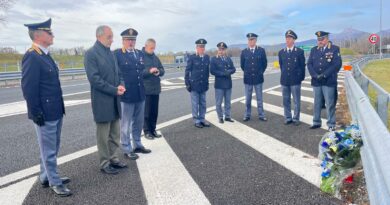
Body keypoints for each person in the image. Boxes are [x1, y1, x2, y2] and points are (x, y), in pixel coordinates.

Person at [21, 18, 71, 196]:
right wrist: (35, 112)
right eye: (49, 32)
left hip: (55, 110)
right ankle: (54, 182)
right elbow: (29, 88)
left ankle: (45, 176)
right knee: (48, 149)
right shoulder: (32, 56)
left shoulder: (45, 55)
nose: (53, 35)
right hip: (45, 112)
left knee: (53, 146)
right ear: (38, 35)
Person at [84, 25, 128, 175]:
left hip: (115, 99)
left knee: (115, 133)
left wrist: (121, 84)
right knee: (103, 136)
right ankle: (104, 163)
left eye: (112, 36)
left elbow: (119, 73)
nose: (112, 39)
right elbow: (95, 79)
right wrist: (114, 90)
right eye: (109, 37)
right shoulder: (91, 54)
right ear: (99, 36)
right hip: (102, 101)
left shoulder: (111, 54)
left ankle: (113, 158)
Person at [114, 28, 152, 160]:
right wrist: (120, 86)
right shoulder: (117, 54)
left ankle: (138, 144)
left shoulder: (139, 54)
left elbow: (140, 72)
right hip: (126, 95)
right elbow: (116, 74)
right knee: (126, 124)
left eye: (133, 40)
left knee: (138, 122)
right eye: (128, 40)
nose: (131, 42)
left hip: (140, 93)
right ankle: (126, 147)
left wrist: (151, 71)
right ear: (123, 41)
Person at [307, 31, 342, 131]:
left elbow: (337, 64)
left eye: (322, 39)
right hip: (316, 81)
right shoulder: (314, 50)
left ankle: (331, 124)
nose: (320, 41)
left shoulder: (334, 49)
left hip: (328, 81)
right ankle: (316, 122)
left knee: (330, 104)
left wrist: (324, 74)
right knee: (317, 103)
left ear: (327, 39)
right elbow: (309, 64)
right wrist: (314, 75)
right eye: (318, 40)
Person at [278, 30, 306, 126]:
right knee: (285, 100)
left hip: (295, 81)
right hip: (285, 80)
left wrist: (300, 79)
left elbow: (302, 67)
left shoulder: (299, 52)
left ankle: (296, 118)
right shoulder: (281, 52)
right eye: (286, 38)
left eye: (290, 38)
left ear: (294, 40)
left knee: (296, 101)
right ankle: (288, 117)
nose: (287, 40)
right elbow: (282, 66)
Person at [240, 33, 268, 122]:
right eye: (249, 40)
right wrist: (248, 73)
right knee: (248, 99)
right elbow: (242, 65)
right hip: (248, 79)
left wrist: (260, 72)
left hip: (258, 78)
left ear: (255, 40)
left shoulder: (261, 51)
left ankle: (261, 114)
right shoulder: (244, 52)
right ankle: (247, 115)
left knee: (259, 98)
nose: (250, 41)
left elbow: (264, 64)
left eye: (252, 39)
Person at [185, 39, 211, 128]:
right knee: (195, 103)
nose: (202, 48)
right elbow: (187, 71)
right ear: (196, 47)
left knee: (203, 103)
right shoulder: (192, 58)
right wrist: (187, 83)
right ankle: (196, 120)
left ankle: (202, 119)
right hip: (194, 85)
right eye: (200, 46)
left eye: (203, 47)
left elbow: (207, 71)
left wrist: (207, 82)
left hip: (203, 84)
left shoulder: (207, 57)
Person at [142, 38, 165, 140]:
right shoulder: (140, 57)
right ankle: (147, 131)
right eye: (151, 48)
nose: (153, 50)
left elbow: (162, 69)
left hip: (156, 89)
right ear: (146, 46)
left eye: (154, 48)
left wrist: (158, 72)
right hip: (146, 89)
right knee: (146, 112)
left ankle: (153, 129)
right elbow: (139, 72)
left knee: (154, 112)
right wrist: (149, 71)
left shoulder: (155, 57)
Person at [210, 42, 236, 123]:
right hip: (219, 85)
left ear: (225, 50)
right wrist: (222, 73)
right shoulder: (214, 59)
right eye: (219, 49)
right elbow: (212, 71)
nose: (221, 51)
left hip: (228, 84)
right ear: (218, 50)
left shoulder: (228, 59)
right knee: (219, 102)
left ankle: (227, 116)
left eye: (223, 49)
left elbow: (233, 69)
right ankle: (220, 117)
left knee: (228, 102)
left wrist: (228, 72)